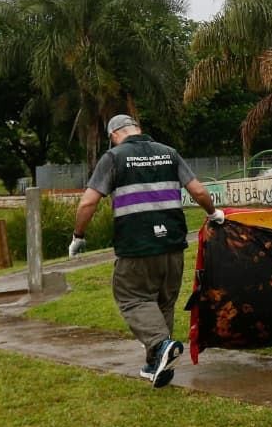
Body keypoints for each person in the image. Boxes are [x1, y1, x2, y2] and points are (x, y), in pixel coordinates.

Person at [70, 114, 225, 388]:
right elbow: (199, 191)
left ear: (114, 134)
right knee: (162, 303)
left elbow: (87, 204)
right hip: (173, 246)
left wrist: (78, 236)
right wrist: (214, 214)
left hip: (137, 247)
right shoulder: (169, 153)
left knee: (131, 297)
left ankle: (160, 344)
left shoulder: (114, 157)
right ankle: (157, 364)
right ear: (138, 129)